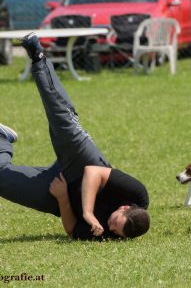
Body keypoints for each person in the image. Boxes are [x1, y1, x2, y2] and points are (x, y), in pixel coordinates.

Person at [0, 33, 150, 240]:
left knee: (3, 180)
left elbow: (72, 230)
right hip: (84, 164)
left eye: (116, 232)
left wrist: (63, 199)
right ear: (125, 207)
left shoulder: (112, 233)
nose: (110, 227)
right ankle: (38, 57)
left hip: (61, 191)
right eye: (115, 222)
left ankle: (2, 139)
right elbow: (93, 172)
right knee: (61, 118)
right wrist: (88, 213)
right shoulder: (137, 194)